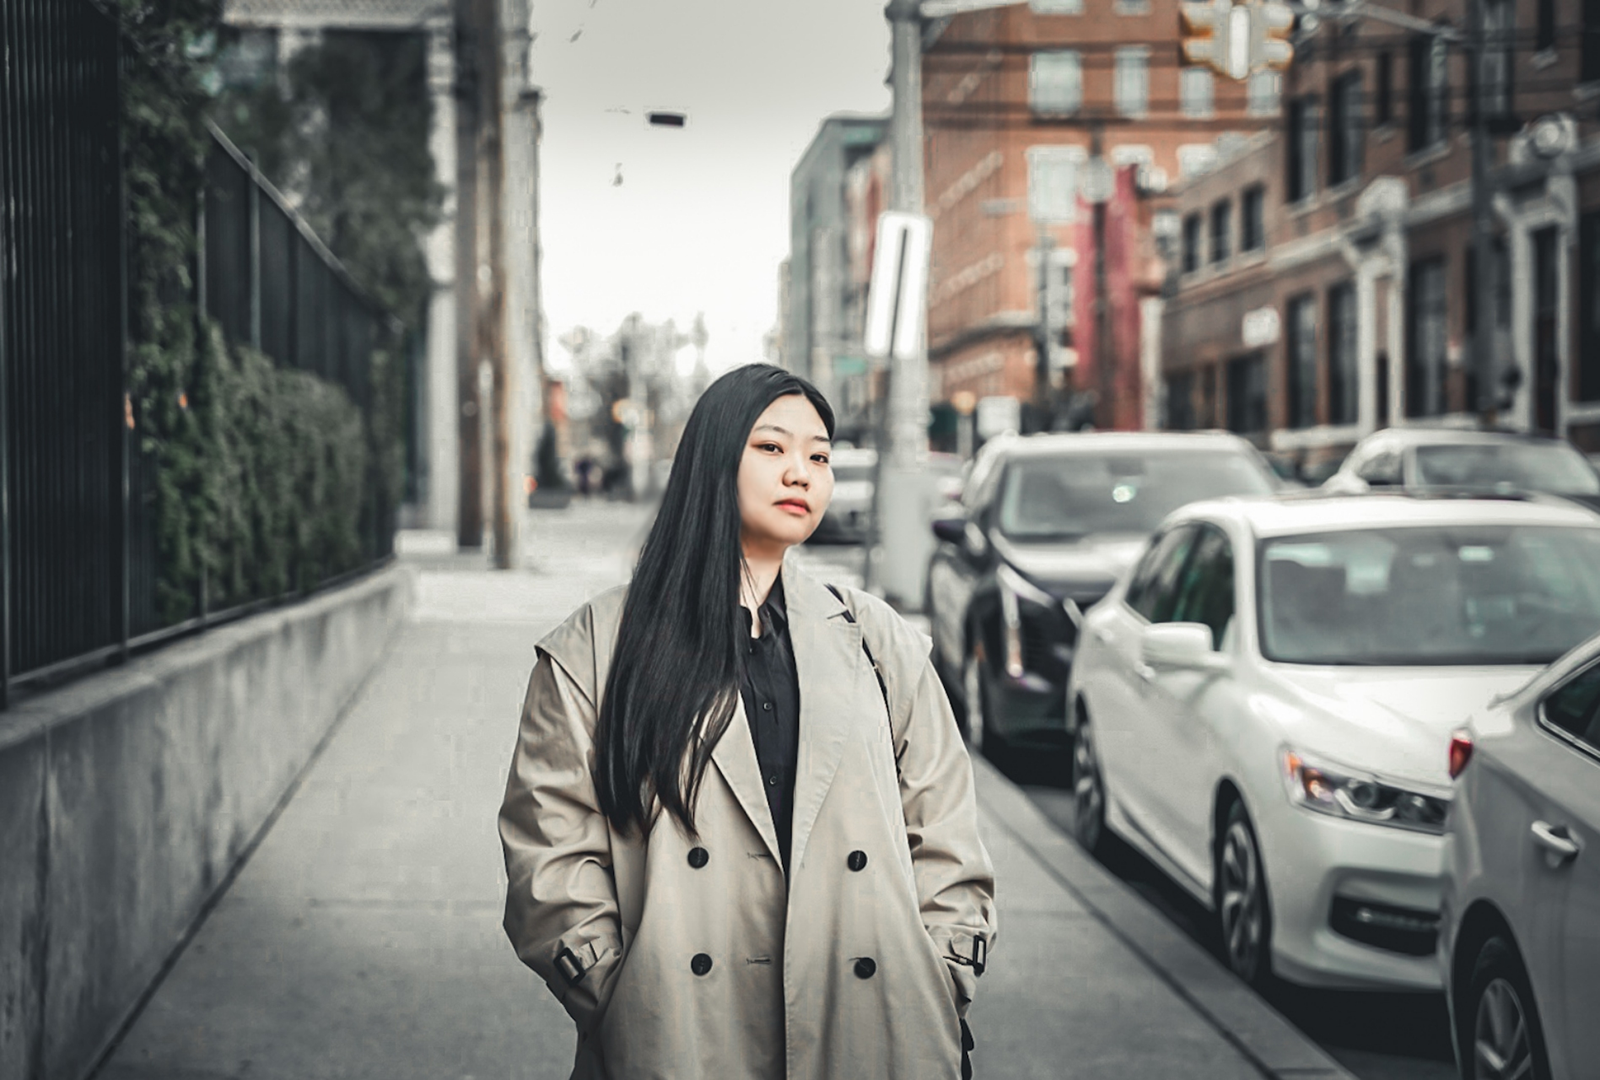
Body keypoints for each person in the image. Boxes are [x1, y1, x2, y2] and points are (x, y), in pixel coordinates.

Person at [499, 363, 996, 1080]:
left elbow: (946, 824)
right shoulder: (597, 647)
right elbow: (548, 850)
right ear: (712, 459)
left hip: (878, 1030)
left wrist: (942, 975)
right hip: (681, 1041)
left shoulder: (875, 639)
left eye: (819, 456)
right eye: (772, 448)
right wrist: (622, 995)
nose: (802, 472)